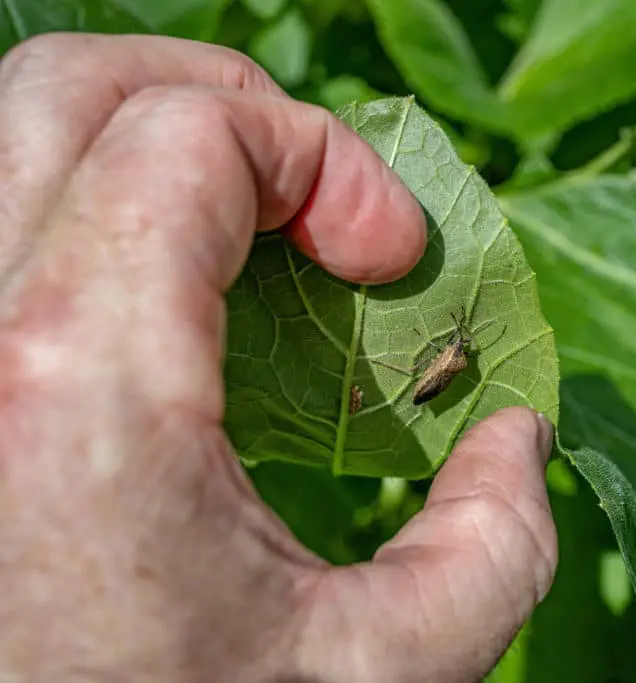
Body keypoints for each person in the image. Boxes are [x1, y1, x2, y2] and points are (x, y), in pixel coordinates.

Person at [0, 32, 557, 682]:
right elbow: (451, 353)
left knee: (429, 365)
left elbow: (448, 354)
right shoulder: (454, 360)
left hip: (418, 384)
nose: (455, 350)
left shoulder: (451, 361)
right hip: (420, 385)